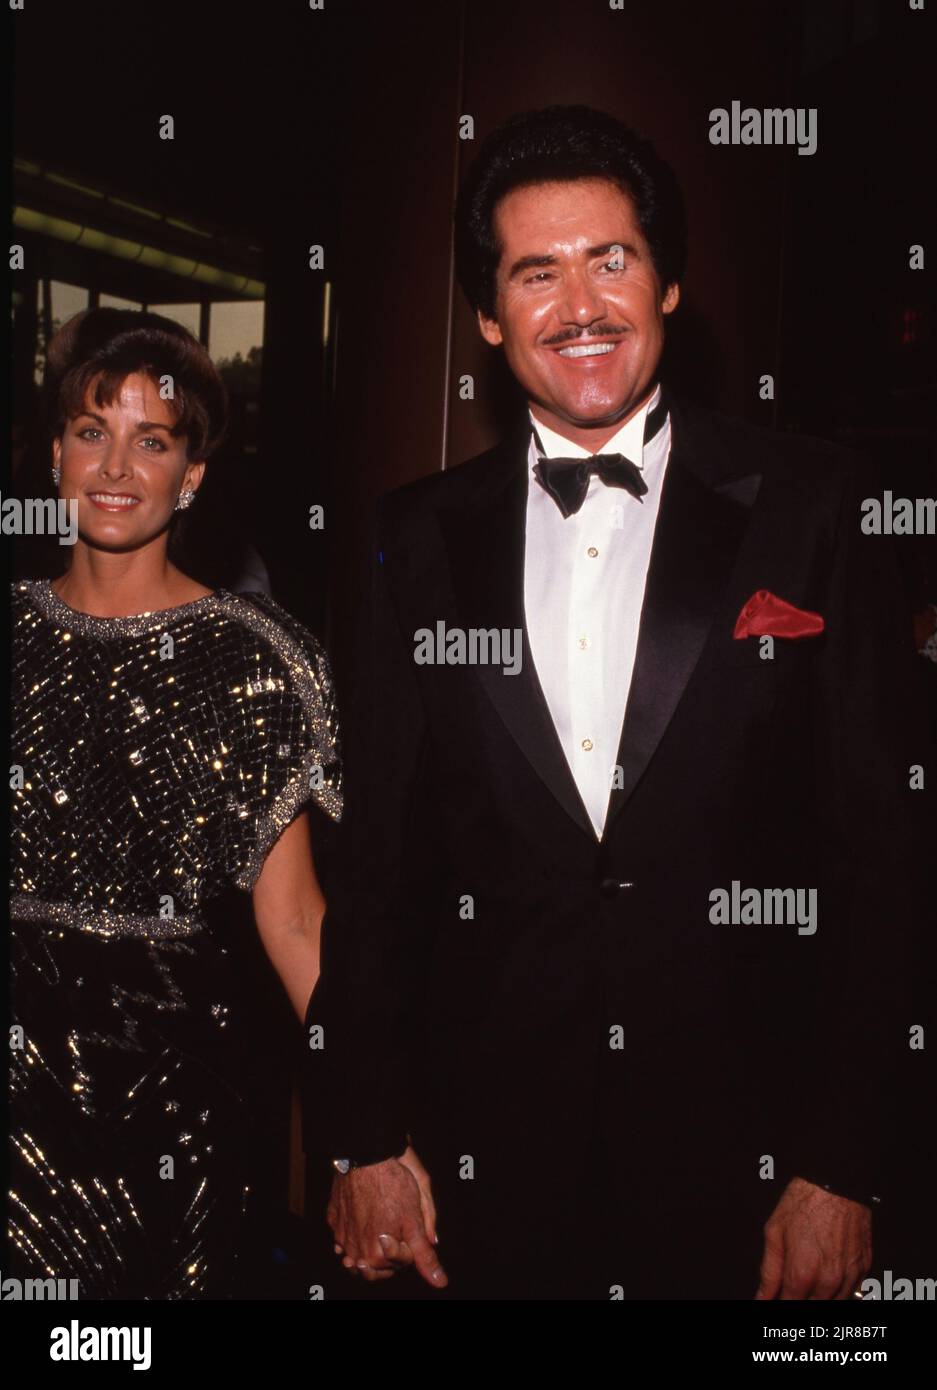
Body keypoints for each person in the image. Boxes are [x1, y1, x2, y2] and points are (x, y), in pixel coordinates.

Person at [306, 106, 934, 1300]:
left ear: (671, 283)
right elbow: (378, 867)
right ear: (490, 319)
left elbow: (887, 856)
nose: (579, 304)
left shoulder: (812, 505)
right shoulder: (411, 539)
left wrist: (843, 1161)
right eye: (535, 272)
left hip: (753, 1167)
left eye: (612, 259)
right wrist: (363, 1132)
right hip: (479, 1167)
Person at [8, 308, 341, 1298]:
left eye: (150, 440)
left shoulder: (259, 658)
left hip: (177, 1118)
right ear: (53, 456)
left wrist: (370, 1133)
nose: (115, 467)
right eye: (90, 432)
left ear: (190, 475)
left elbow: (293, 922)